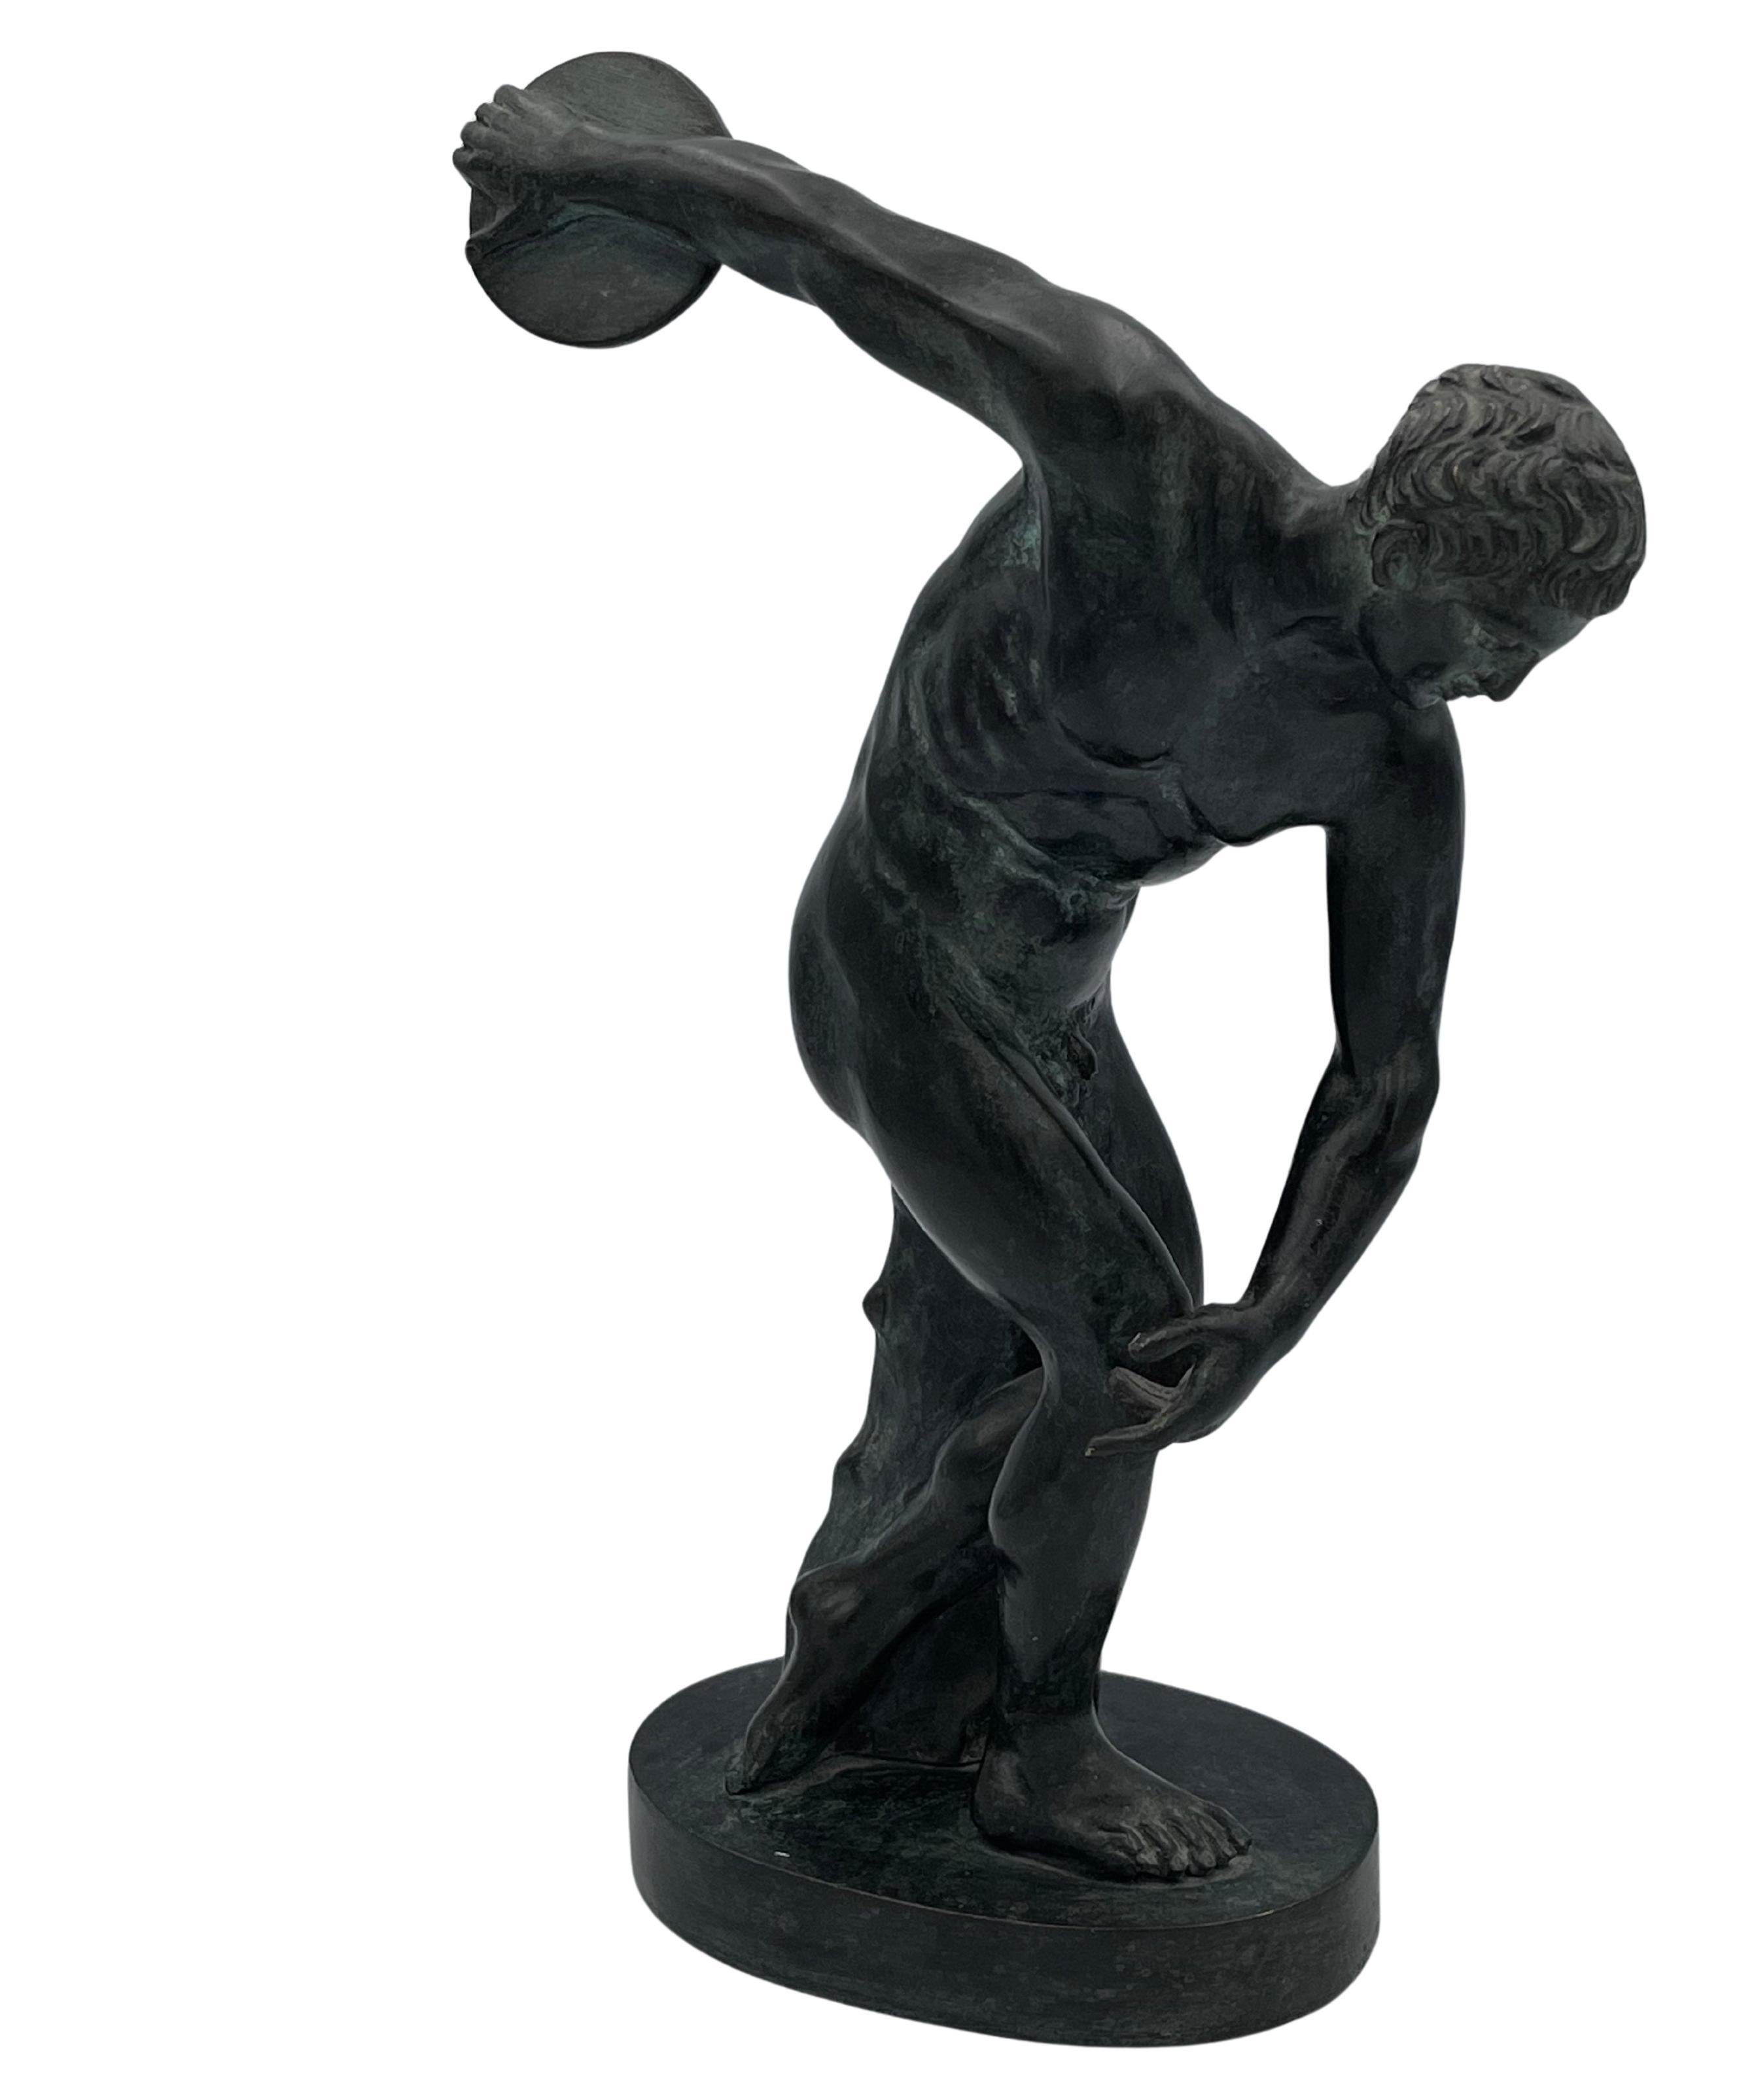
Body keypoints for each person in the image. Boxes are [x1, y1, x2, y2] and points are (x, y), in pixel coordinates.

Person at [459, 88, 1646, 1881]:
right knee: (1115, 1337)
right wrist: (579, 161)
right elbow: (841, 245)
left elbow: (1384, 1076)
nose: (1505, 687)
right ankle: (1040, 1743)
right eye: (1502, 636)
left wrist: (1276, 1318)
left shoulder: (1393, 761)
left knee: (1099, 1351)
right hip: (888, 945)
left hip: (1051, 1014)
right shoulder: (1140, 447)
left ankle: (870, 1643)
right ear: (1417, 542)